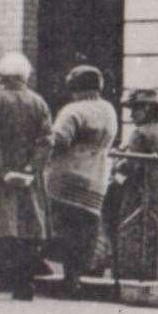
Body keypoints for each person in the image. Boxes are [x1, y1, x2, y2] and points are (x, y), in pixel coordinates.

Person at [0, 52, 52, 300]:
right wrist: (31, 169)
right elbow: (46, 141)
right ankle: (23, 286)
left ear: (2, 76)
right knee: (26, 229)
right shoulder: (39, 103)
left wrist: (2, 170)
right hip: (27, 180)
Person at [46, 64, 118, 294]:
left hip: (66, 177)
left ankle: (58, 274)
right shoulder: (108, 109)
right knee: (84, 232)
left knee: (60, 226)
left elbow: (59, 140)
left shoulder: (73, 110)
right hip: (96, 177)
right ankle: (74, 278)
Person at [109, 89, 158, 287]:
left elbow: (131, 168)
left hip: (142, 193)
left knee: (134, 234)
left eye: (135, 110)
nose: (132, 115)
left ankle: (135, 282)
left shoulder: (140, 133)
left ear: (147, 108)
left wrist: (117, 170)